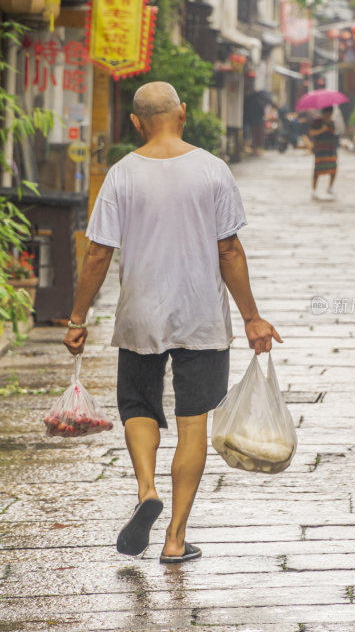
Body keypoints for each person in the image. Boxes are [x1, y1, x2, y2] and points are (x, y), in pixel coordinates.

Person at [63, 82, 282, 564]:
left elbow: (98, 254)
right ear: (183, 113)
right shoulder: (212, 170)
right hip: (202, 315)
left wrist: (78, 317)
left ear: (136, 122)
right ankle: (175, 539)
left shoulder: (121, 175)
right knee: (193, 425)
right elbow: (229, 249)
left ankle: (146, 491)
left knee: (138, 406)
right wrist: (252, 317)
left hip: (140, 315)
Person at [309, 106, 338, 200]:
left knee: (333, 168)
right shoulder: (317, 121)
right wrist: (322, 129)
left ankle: (330, 187)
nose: (329, 116)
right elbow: (312, 133)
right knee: (317, 170)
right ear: (324, 113)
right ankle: (314, 189)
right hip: (320, 149)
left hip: (330, 149)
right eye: (328, 114)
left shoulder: (332, 122)